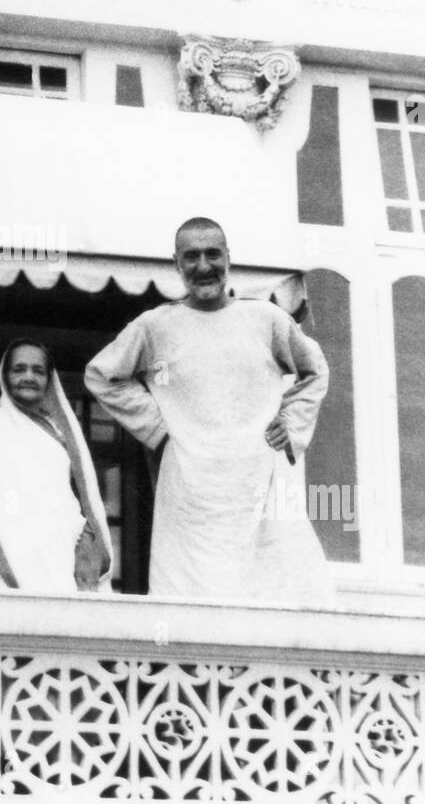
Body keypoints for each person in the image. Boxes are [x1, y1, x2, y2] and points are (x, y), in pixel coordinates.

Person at [84, 217, 333, 603]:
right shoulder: (155, 326)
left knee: (274, 585)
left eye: (212, 254)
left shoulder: (266, 319)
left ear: (228, 258)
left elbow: (314, 371)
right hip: (189, 487)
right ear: (176, 264)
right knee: (190, 594)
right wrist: (159, 430)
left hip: (258, 479)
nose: (203, 266)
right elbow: (103, 376)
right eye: (192, 256)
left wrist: (292, 422)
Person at [0, 340, 113, 595]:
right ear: (5, 376)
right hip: (0, 548)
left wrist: (90, 541)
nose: (29, 377)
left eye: (38, 371)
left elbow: (85, 497)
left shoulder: (64, 432)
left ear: (49, 380)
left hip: (61, 549)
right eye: (19, 369)